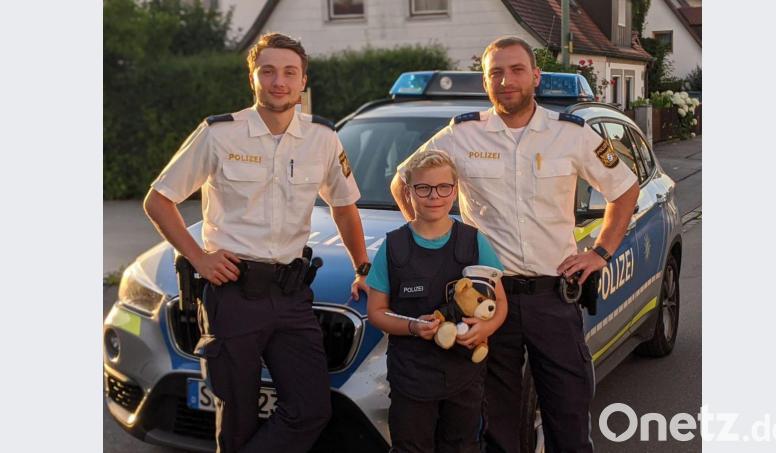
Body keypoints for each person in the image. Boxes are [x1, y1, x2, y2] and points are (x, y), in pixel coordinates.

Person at [390, 37, 640, 453]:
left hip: (552, 297)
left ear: (535, 76)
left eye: (516, 70)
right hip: (490, 298)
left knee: (569, 415)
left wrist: (599, 252)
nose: (506, 80)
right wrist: (435, 244)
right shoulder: (462, 135)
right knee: (497, 422)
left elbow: (625, 189)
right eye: (496, 73)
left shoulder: (571, 134)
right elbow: (403, 180)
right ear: (486, 81)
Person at [143, 32, 371, 453]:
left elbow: (344, 205)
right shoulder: (219, 134)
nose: (278, 81)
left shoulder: (323, 138)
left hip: (292, 294)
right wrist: (198, 258)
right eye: (268, 71)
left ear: (304, 80)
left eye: (289, 72)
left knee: (310, 409)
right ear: (253, 78)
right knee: (237, 419)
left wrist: (362, 267)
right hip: (232, 295)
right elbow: (158, 200)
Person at [366, 150, 508, 453]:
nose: (435, 196)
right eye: (423, 188)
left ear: (455, 191)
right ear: (408, 192)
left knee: (462, 446)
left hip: (463, 374)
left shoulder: (473, 241)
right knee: (411, 446)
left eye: (444, 187)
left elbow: (499, 303)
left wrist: (486, 329)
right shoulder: (393, 246)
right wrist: (414, 327)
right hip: (411, 376)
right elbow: (376, 312)